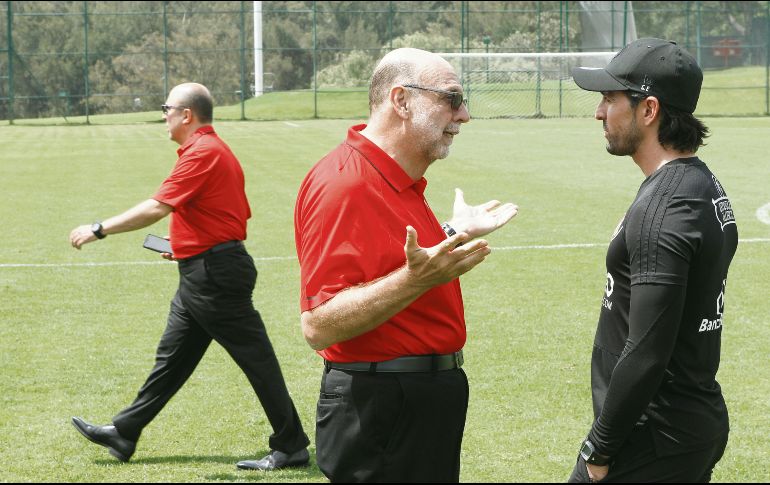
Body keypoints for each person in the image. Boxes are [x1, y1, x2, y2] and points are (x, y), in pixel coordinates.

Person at [293, 48, 518, 483]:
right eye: (451, 99)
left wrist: (452, 232)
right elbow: (319, 325)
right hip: (382, 406)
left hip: (414, 400)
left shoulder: (395, 178)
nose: (464, 114)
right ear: (401, 100)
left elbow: (397, 261)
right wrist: (415, 281)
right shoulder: (346, 183)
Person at [68, 82, 310, 471]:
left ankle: (292, 444)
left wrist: (99, 228)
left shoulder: (203, 152)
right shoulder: (213, 152)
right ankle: (125, 430)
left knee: (257, 360)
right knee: (172, 359)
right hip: (205, 270)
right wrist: (183, 243)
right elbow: (231, 215)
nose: (163, 115)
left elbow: (156, 207)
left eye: (167, 108)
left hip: (214, 275)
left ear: (187, 114)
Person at [568, 38, 738, 482]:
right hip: (682, 424)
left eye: (610, 98)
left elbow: (647, 351)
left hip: (653, 434)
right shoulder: (699, 185)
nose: (600, 113)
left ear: (649, 110)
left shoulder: (666, 208)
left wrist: (598, 450)